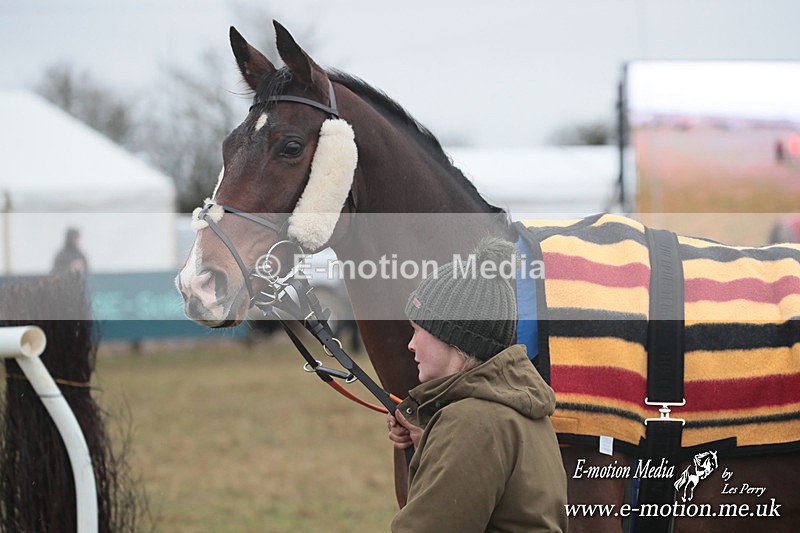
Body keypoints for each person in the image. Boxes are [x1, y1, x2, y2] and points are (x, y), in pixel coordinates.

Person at [388, 237, 568, 532]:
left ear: (452, 336)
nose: (410, 345)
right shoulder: (516, 407)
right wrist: (433, 443)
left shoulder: (471, 423)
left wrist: (452, 439)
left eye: (418, 330)